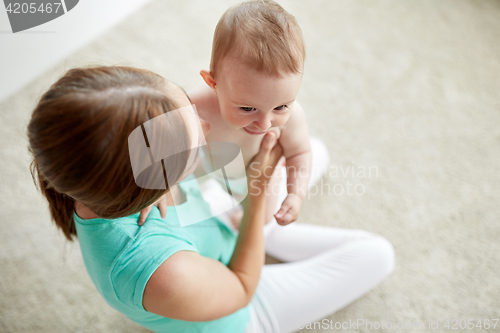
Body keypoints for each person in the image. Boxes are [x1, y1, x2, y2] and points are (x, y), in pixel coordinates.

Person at [28, 66, 395, 333]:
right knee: (377, 253)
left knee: (313, 150)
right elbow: (241, 286)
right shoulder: (159, 273)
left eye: (190, 114)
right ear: (152, 183)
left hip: (216, 227)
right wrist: (257, 195)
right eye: (194, 137)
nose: (206, 127)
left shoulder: (114, 181)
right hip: (241, 308)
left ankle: (270, 225)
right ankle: (270, 228)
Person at [189, 0, 314, 228]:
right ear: (213, 82)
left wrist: (295, 195)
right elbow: (161, 144)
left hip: (257, 178)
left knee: (259, 221)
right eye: (247, 108)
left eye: (281, 107)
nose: (265, 124)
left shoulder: (294, 117)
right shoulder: (196, 105)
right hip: (209, 167)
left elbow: (300, 153)